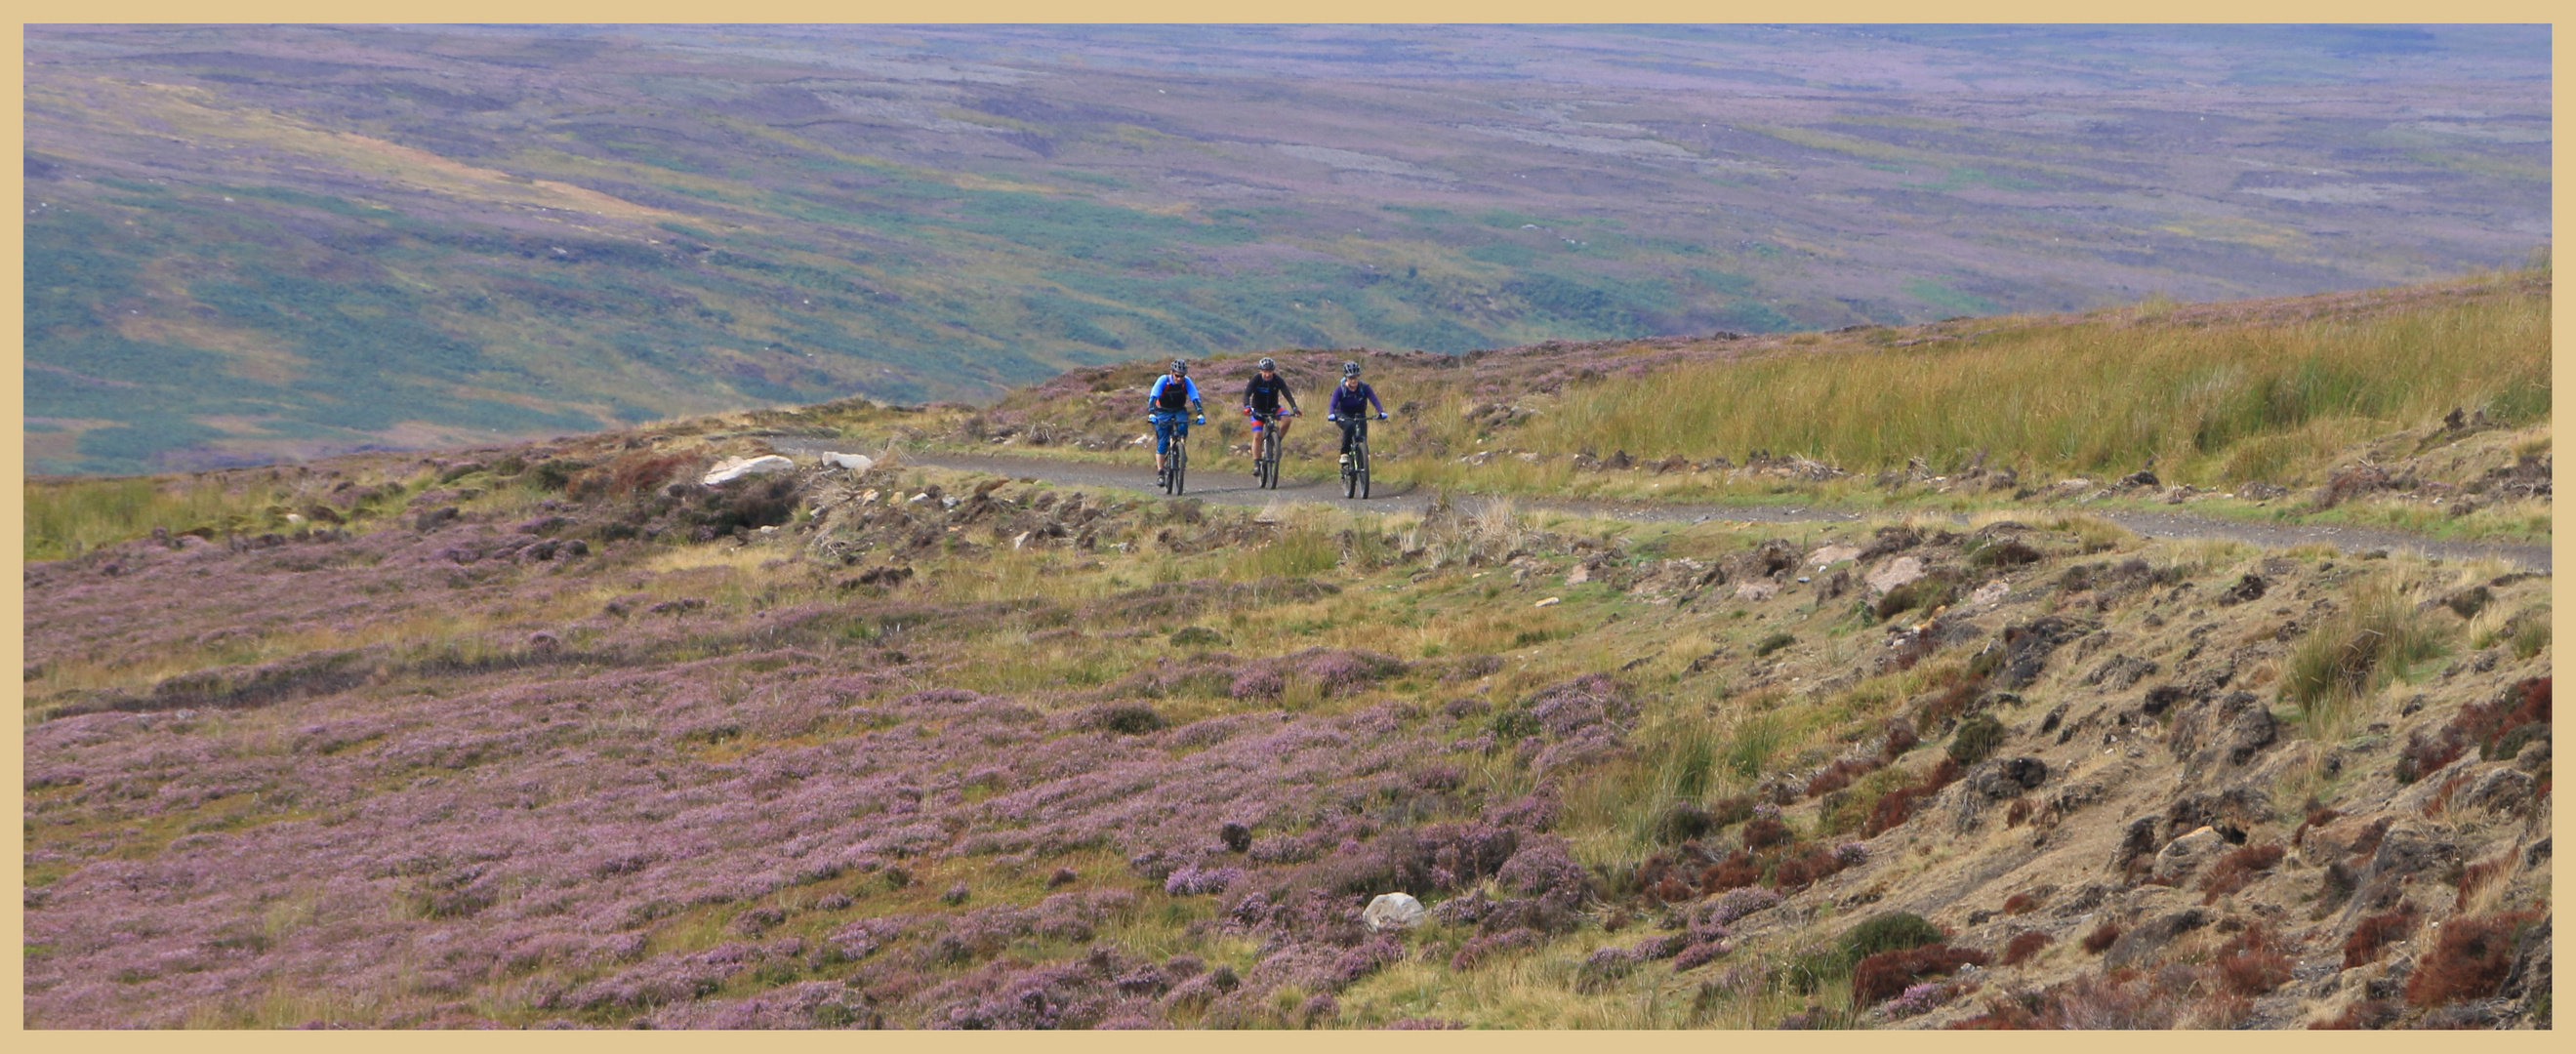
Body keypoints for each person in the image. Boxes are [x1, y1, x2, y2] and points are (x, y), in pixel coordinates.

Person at [1145, 359, 1206, 484]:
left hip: (1179, 410)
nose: (1179, 379)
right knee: (1162, 442)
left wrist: (1200, 414)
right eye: (1177, 376)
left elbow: (1195, 398)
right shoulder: (1164, 380)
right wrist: (1152, 413)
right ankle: (1161, 473)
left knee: (1183, 427)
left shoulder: (1186, 382)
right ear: (1172, 372)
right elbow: (1153, 397)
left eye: (1182, 376)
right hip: (1162, 411)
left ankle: (1181, 450)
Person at [1325, 360, 1387, 466]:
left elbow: (1374, 400)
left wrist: (1381, 411)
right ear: (1346, 378)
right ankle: (1344, 454)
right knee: (1349, 426)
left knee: (1362, 435)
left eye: (1355, 378)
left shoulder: (1364, 388)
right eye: (1351, 378)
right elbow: (1333, 403)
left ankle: (1363, 459)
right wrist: (1331, 414)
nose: (1353, 380)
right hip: (1343, 414)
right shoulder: (1341, 389)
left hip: (1359, 413)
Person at [1241, 356, 1300, 466]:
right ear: (1260, 371)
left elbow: (1287, 393)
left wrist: (1295, 408)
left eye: (1270, 371)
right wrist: (1247, 407)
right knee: (1258, 436)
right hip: (1258, 411)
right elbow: (1247, 394)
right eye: (1265, 371)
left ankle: (1276, 442)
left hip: (1273, 408)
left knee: (1287, 420)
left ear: (1273, 371)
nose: (1267, 374)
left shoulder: (1277, 380)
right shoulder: (1256, 379)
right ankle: (1256, 463)